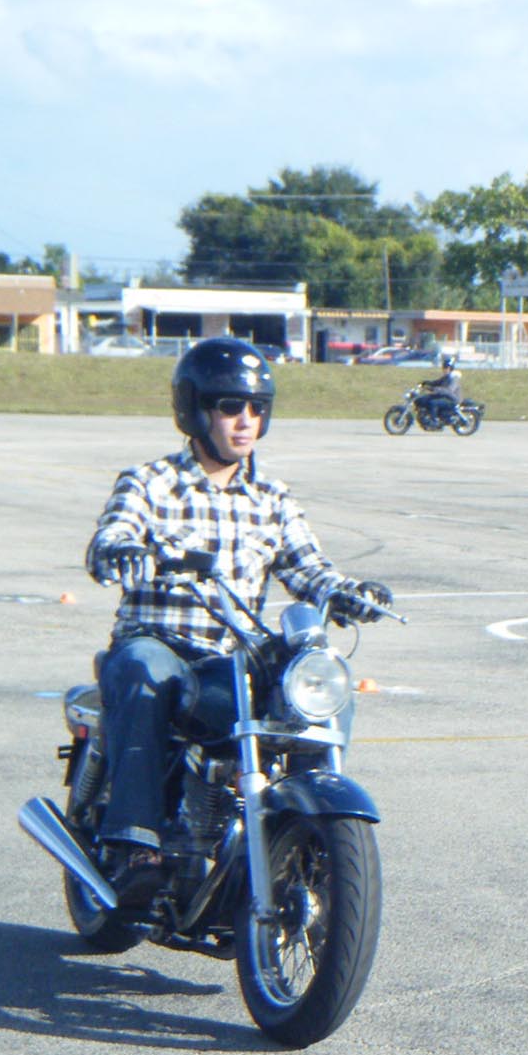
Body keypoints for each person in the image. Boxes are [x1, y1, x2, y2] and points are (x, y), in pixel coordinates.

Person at [85, 336, 394, 906]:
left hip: (230, 658)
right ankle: (137, 845)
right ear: (195, 410)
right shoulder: (150, 482)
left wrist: (349, 593)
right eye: (230, 407)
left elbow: (308, 567)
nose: (245, 420)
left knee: (320, 685)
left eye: (256, 407)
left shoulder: (271, 497)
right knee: (143, 671)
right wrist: (122, 550)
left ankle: (306, 833)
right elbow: (112, 535)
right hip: (159, 641)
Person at [420, 353, 461, 424]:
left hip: (452, 399)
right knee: (425, 399)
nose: (444, 370)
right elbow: (436, 382)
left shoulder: (454, 378)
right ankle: (425, 416)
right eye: (444, 368)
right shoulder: (446, 377)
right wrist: (426, 383)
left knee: (433, 403)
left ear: (451, 369)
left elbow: (449, 390)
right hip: (444, 397)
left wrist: (435, 389)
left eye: (446, 368)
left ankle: (434, 421)